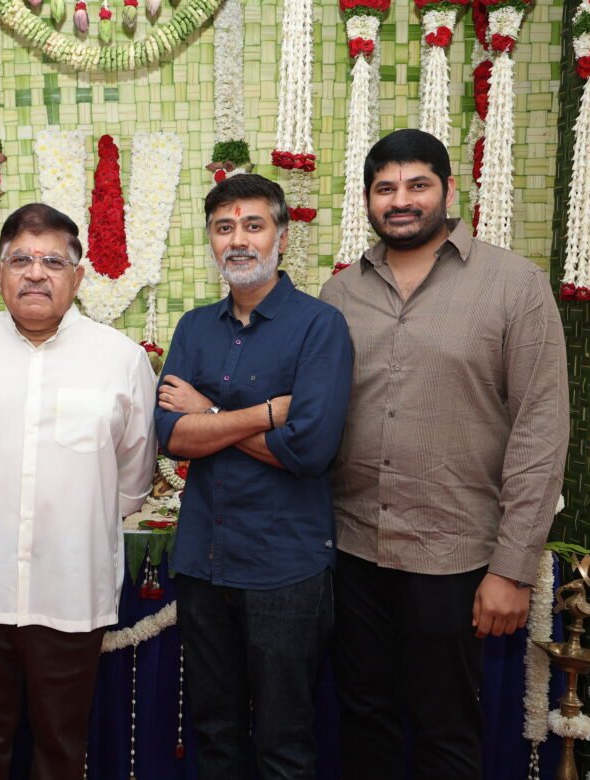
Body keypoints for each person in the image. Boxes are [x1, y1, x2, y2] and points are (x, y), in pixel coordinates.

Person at [319, 128, 569, 779]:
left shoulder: (514, 286)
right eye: (385, 188)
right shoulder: (340, 294)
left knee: (447, 730)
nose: (400, 200)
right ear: (367, 200)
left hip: (454, 554)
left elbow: (541, 431)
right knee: (362, 719)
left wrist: (513, 569)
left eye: (417, 185)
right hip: (353, 549)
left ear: (449, 190)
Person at [0, 203, 157, 779]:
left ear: (77, 276)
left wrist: (79, 521)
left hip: (70, 588)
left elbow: (133, 474)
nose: (36, 273)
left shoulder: (121, 359)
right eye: (21, 260)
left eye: (53, 261)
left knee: (60, 747)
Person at [154, 174, 353, 779]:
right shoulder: (194, 328)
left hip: (285, 568)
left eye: (253, 225)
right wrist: (265, 414)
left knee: (282, 742)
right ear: (211, 241)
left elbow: (309, 450)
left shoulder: (320, 325)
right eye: (224, 227)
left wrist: (209, 415)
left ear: (281, 238)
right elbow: (171, 436)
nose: (238, 240)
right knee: (215, 738)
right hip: (202, 563)